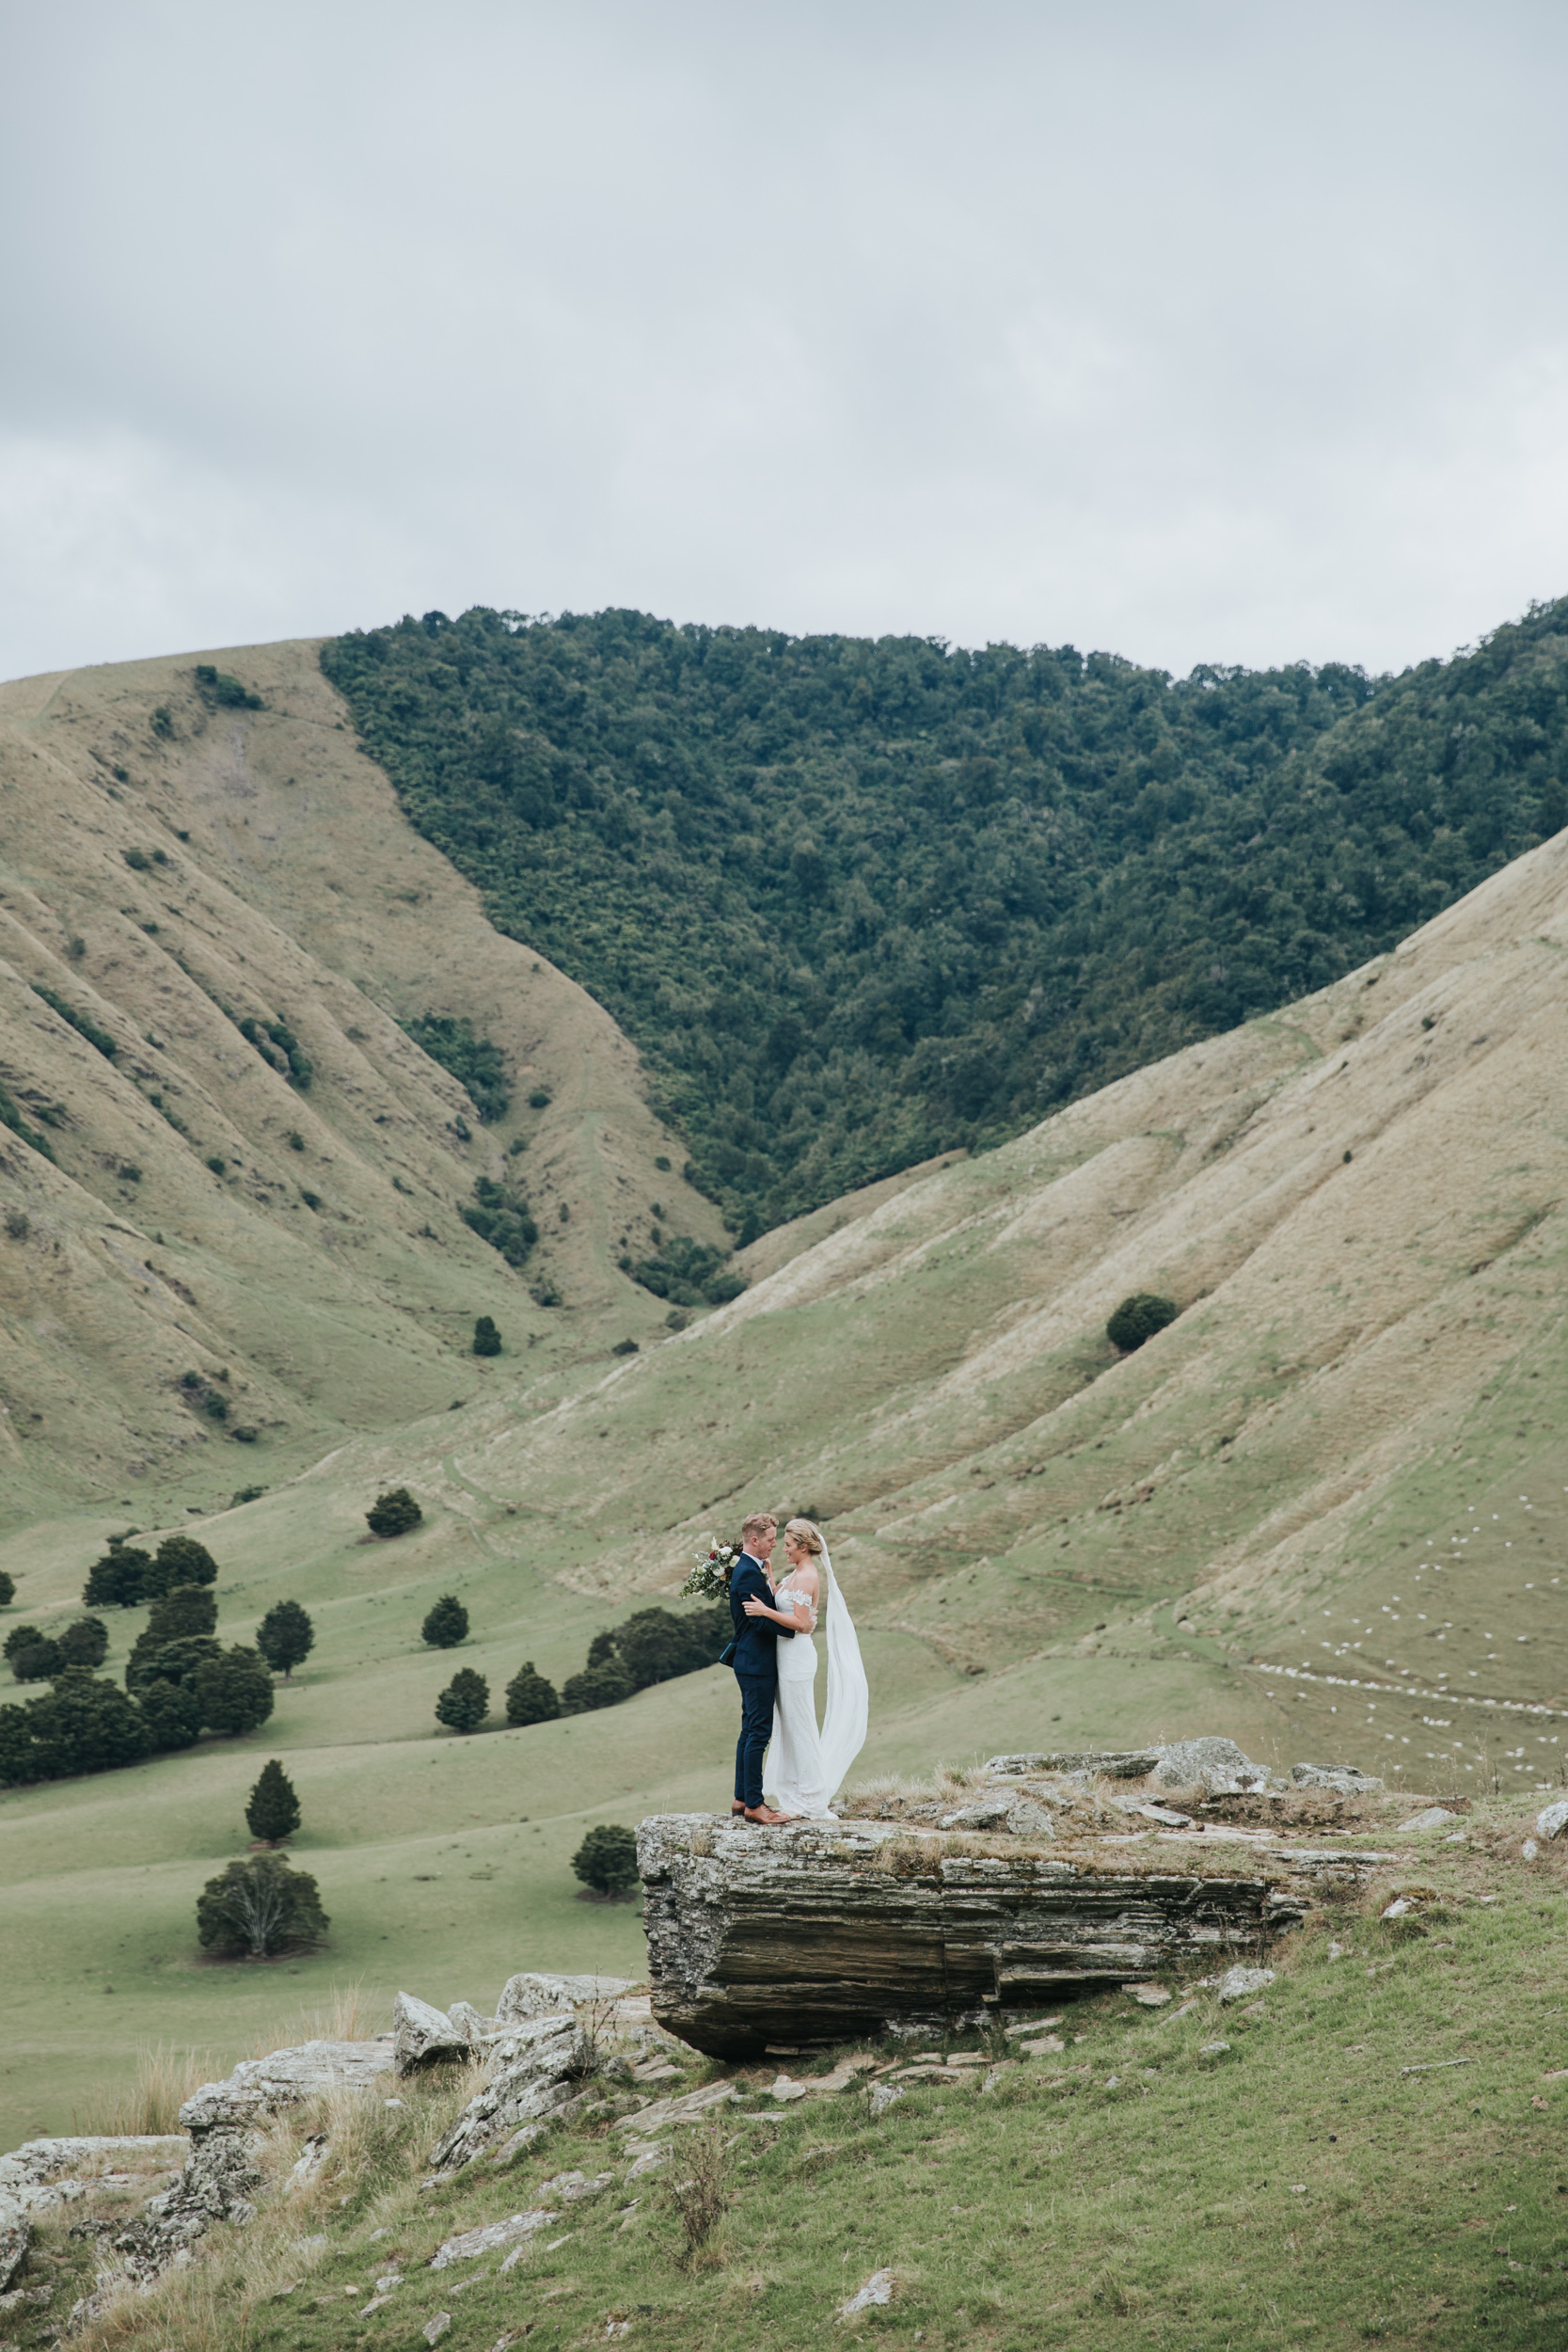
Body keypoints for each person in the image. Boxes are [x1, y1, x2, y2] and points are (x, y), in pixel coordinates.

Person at [742, 1516, 868, 1819]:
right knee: (789, 1726)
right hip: (786, 1658)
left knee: (801, 1728)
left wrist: (762, 1610)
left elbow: (800, 1623)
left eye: (787, 1545)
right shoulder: (796, 1573)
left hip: (797, 1659)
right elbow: (788, 1607)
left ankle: (811, 1799)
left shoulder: (808, 1576)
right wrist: (772, 1579)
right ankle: (797, 1790)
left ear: (802, 1546)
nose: (782, 1549)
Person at [726, 1512, 793, 1824]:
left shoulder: (749, 1568)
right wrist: (795, 1627)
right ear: (754, 1540)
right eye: (770, 1540)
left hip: (749, 1661)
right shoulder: (749, 1574)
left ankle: (741, 1798)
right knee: (758, 1734)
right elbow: (760, 1622)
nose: (774, 1545)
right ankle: (755, 1804)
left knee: (748, 1731)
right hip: (756, 1663)